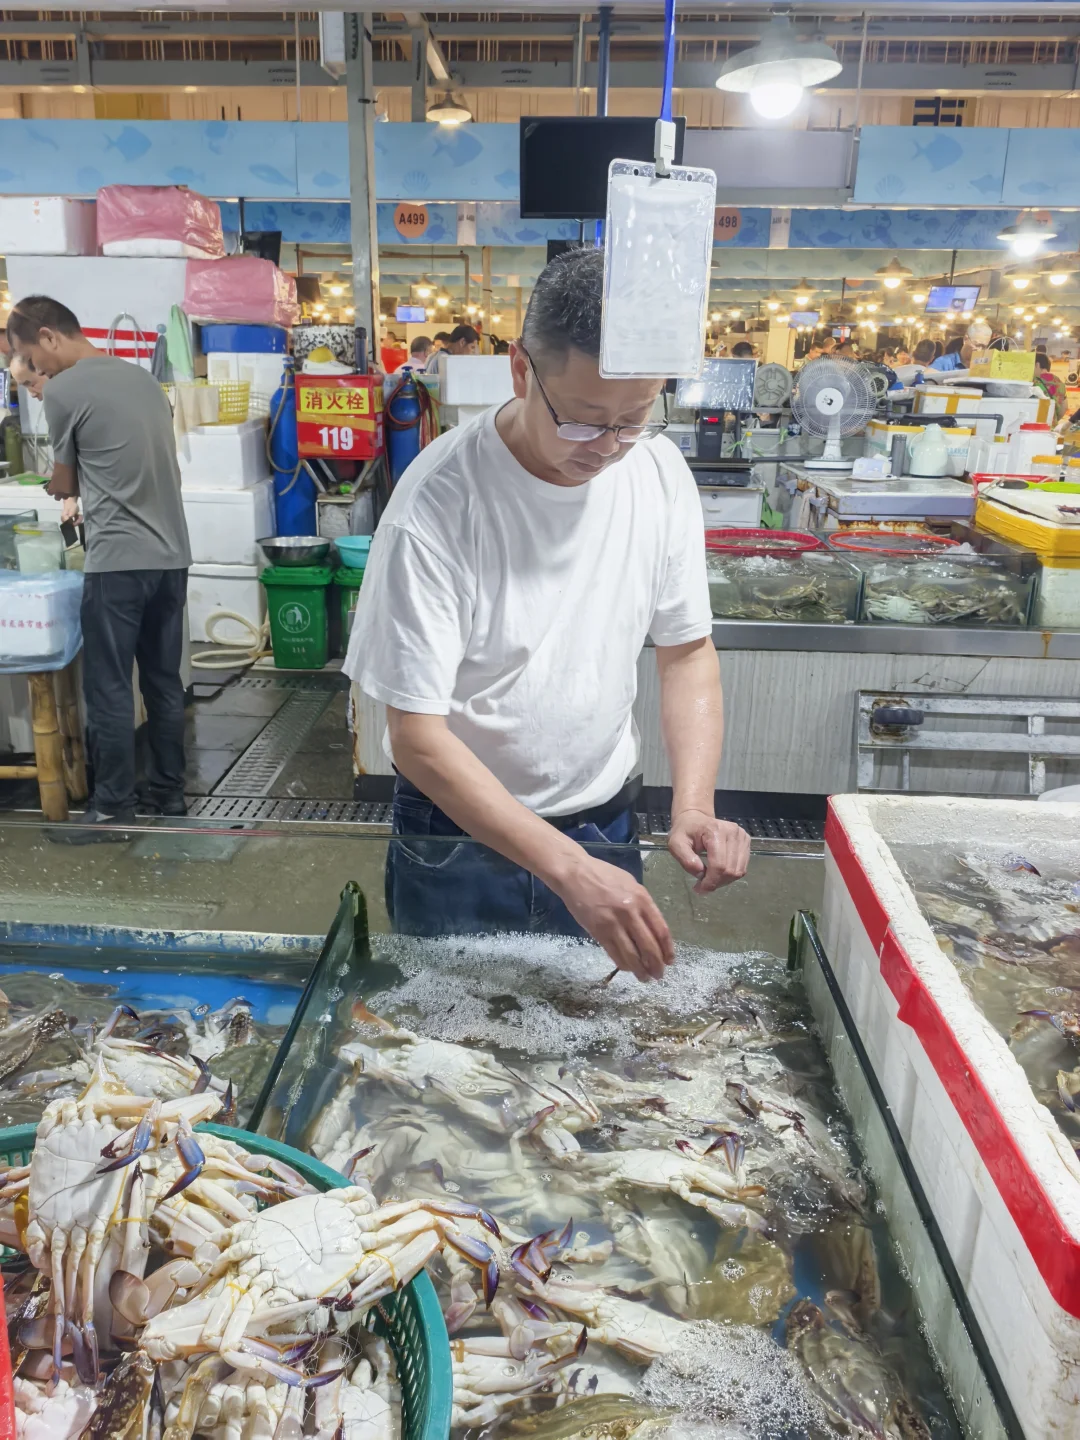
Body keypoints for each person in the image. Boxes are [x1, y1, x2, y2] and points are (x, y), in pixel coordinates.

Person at [345, 247, 750, 982]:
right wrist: (565, 868)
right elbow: (416, 738)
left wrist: (694, 804)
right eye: (585, 422)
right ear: (520, 370)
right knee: (446, 1041)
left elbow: (687, 652)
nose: (609, 449)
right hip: (460, 838)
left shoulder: (657, 472)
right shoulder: (438, 507)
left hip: (604, 822)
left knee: (594, 1039)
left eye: (634, 419)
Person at [8, 295, 192, 840]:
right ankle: (170, 794)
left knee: (110, 687)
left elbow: (64, 480)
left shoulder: (65, 391)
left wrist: (60, 486)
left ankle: (112, 809)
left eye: (33, 358)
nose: (38, 370)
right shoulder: (143, 380)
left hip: (117, 562)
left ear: (48, 336)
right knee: (162, 682)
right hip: (172, 556)